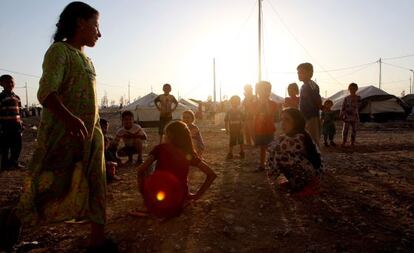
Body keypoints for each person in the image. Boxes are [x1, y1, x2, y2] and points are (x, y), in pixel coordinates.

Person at [14, 2, 117, 252]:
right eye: (96, 26)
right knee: (47, 188)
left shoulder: (87, 59)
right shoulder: (59, 52)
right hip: (63, 136)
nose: (99, 33)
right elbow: (46, 92)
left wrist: (95, 130)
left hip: (90, 136)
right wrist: (70, 118)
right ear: (81, 23)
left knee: (96, 182)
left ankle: (97, 240)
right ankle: (10, 227)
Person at [135, 121, 217, 218]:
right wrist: (197, 195)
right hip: (179, 201)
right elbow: (211, 175)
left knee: (149, 171)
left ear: (170, 135)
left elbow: (141, 170)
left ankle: (149, 206)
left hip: (157, 200)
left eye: (165, 134)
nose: (164, 136)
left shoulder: (160, 148)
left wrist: (145, 194)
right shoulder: (188, 154)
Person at [266, 108, 322, 194]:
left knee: (278, 155)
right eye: (282, 119)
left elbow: (271, 148)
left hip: (306, 175)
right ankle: (292, 180)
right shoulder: (301, 133)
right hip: (307, 172)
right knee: (277, 155)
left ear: (296, 122)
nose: (283, 123)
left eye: (287, 120)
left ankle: (298, 183)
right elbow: (271, 147)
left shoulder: (298, 137)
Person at [0, 74, 24, 171]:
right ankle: (4, 164)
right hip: (5, 126)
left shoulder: (17, 98)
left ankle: (13, 162)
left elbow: (19, 112)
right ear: (1, 84)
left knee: (17, 146)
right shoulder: (1, 97)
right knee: (4, 147)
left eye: (12, 82)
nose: (10, 84)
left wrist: (21, 123)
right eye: (7, 82)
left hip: (16, 126)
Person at [253, 81, 279, 172]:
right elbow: (255, 113)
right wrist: (260, 103)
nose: (263, 93)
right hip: (259, 129)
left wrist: (266, 103)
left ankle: (273, 164)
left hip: (269, 128)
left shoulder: (273, 103)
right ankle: (262, 165)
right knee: (262, 148)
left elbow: (270, 113)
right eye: (261, 91)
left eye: (266, 90)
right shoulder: (255, 103)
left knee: (270, 147)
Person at [297, 63, 322, 146]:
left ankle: (315, 158)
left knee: (313, 141)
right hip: (304, 117)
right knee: (305, 140)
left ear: (310, 73)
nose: (299, 74)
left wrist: (321, 108)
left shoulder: (312, 85)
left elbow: (317, 99)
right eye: (298, 72)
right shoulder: (303, 86)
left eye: (302, 72)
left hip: (312, 117)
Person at [339, 83, 361, 147]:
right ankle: (344, 141)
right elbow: (343, 107)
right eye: (351, 88)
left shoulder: (358, 98)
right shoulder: (346, 98)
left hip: (355, 116)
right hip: (347, 116)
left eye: (354, 88)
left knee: (354, 130)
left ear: (356, 89)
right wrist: (341, 114)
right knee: (345, 130)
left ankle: (352, 142)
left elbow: (360, 106)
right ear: (349, 89)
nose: (352, 90)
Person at [99, 118, 120, 182]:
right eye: (103, 128)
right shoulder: (98, 138)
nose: (105, 130)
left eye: (106, 128)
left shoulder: (106, 138)